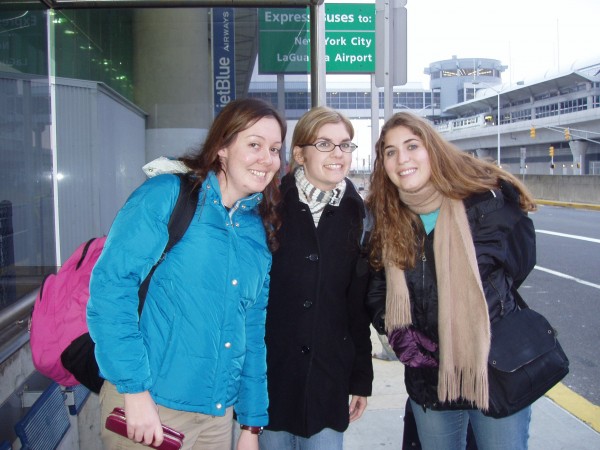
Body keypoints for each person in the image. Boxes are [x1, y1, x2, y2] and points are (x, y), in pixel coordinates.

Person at [87, 98, 286, 450]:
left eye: (274, 149)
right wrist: (133, 391)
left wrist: (251, 425)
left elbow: (252, 331)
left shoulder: (256, 229)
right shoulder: (167, 196)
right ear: (222, 147)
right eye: (254, 144)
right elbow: (110, 289)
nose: (267, 159)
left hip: (216, 415)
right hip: (151, 406)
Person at [365, 112, 537, 450]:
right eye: (390, 151)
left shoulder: (487, 203)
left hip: (495, 369)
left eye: (412, 146)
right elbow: (375, 288)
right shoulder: (386, 216)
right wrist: (401, 334)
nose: (403, 159)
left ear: (432, 149)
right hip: (429, 379)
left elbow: (519, 264)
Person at [260, 107, 374, 450]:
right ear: (299, 154)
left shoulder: (361, 217)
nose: (338, 153)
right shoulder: (266, 207)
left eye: (345, 144)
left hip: (329, 379)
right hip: (268, 378)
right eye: (324, 144)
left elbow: (357, 308)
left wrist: (361, 378)